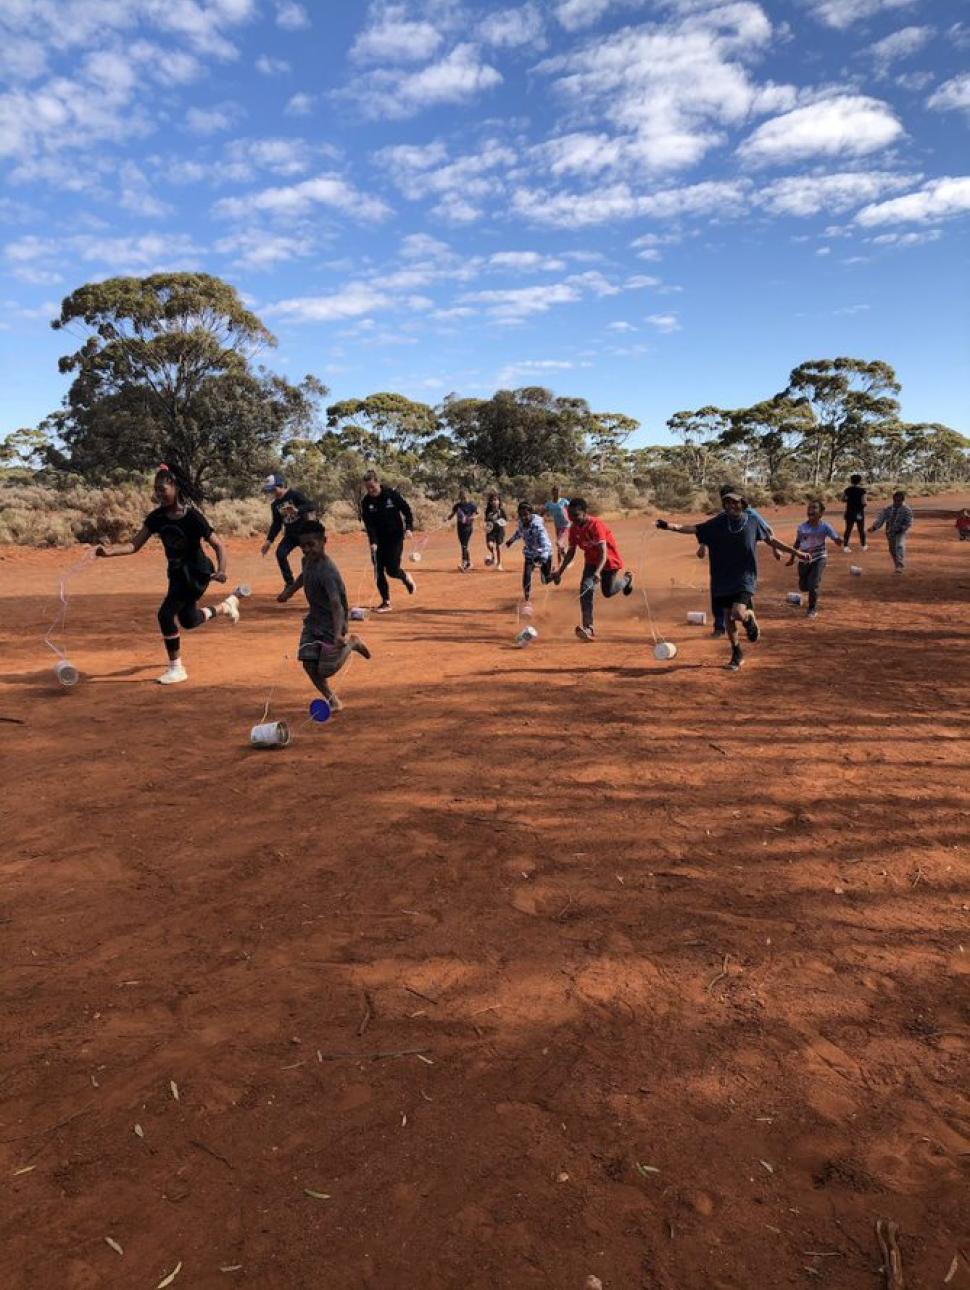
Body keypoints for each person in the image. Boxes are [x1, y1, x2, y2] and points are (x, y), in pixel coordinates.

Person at [95, 464, 240, 685]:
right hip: (176, 573)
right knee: (188, 620)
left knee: (165, 615)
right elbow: (134, 545)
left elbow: (219, 545)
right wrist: (109, 552)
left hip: (197, 572)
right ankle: (226, 606)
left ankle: (177, 668)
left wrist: (221, 571)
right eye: (156, 490)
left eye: (163, 489)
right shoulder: (157, 517)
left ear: (176, 487)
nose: (159, 494)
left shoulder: (192, 517)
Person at [656, 492, 806, 672]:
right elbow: (693, 529)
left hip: (745, 576)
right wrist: (668, 526)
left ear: (743, 504)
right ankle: (736, 653)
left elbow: (771, 540)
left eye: (735, 503)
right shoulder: (718, 523)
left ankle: (749, 618)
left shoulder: (752, 521)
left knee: (738, 613)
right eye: (727, 504)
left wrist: (795, 553)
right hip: (722, 576)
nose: (731, 506)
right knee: (728, 617)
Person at [277, 520, 370, 713]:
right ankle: (333, 699)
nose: (306, 550)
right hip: (313, 621)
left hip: (333, 623)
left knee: (326, 669)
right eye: (303, 546)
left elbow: (336, 604)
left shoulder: (328, 571)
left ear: (323, 541)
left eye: (311, 544)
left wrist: (339, 633)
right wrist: (290, 591)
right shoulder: (307, 561)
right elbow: (303, 576)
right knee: (309, 664)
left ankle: (352, 643)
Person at [699, 488, 779, 636]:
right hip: (722, 565)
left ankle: (748, 618)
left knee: (741, 596)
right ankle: (719, 626)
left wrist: (775, 549)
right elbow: (708, 531)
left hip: (742, 565)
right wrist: (703, 544)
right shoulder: (722, 516)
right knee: (719, 595)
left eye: (732, 500)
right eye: (725, 500)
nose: (728, 504)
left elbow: (767, 530)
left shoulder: (750, 514)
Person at [552, 497, 633, 641]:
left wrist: (598, 572)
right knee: (585, 589)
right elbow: (571, 552)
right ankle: (589, 627)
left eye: (575, 515)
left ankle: (626, 579)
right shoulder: (574, 529)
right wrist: (560, 571)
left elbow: (603, 552)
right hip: (591, 562)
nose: (573, 519)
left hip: (608, 562)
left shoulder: (596, 525)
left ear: (584, 513)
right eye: (570, 515)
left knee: (607, 592)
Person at [360, 470, 416, 613]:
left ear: (378, 483)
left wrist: (409, 527)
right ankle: (386, 602)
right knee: (378, 571)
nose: (370, 490)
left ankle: (404, 576)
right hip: (378, 540)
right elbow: (369, 524)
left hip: (395, 537)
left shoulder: (391, 495)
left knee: (391, 570)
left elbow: (406, 510)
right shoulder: (366, 502)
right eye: (367, 488)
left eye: (372, 486)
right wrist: (373, 541)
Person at [260, 474, 316, 591]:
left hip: (304, 533)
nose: (272, 492)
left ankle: (315, 582)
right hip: (290, 535)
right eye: (270, 490)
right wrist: (269, 541)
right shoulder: (275, 505)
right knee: (280, 554)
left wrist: (298, 510)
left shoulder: (294, 495)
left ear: (280, 485)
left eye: (273, 489)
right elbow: (276, 524)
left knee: (311, 558)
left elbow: (311, 505)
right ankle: (290, 583)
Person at [788, 500, 843, 619]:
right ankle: (811, 590)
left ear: (821, 513)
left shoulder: (825, 526)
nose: (811, 510)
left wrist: (839, 541)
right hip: (804, 559)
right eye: (809, 508)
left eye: (814, 508)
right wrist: (792, 558)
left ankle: (812, 608)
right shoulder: (802, 527)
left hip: (820, 557)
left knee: (813, 584)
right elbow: (797, 544)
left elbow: (836, 538)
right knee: (803, 586)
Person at [506, 502, 554, 601]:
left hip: (544, 553)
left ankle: (554, 575)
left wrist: (543, 557)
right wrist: (511, 540)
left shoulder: (537, 526)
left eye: (525, 515)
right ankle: (527, 601)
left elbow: (545, 543)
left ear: (531, 514)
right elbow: (519, 532)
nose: (523, 517)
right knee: (527, 576)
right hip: (530, 553)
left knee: (546, 580)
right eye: (521, 515)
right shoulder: (521, 523)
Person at [869, 490, 913, 572]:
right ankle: (897, 564)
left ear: (902, 500)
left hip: (900, 531)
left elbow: (909, 522)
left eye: (899, 501)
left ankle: (900, 565)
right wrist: (874, 527)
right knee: (892, 549)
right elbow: (881, 519)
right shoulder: (888, 509)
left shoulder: (906, 509)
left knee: (899, 546)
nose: (896, 502)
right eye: (895, 500)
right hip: (890, 531)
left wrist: (902, 528)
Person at [447, 489, 479, 571]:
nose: (463, 499)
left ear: (467, 496)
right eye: (461, 497)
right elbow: (452, 514)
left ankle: (464, 563)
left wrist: (472, 517)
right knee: (464, 546)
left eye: (464, 497)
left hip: (468, 527)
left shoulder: (471, 505)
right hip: (460, 527)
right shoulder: (457, 506)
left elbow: (477, 514)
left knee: (464, 545)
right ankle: (469, 563)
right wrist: (447, 519)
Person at [841, 474, 868, 552]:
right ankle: (863, 545)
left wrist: (849, 500)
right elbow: (864, 502)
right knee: (861, 529)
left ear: (851, 480)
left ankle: (846, 546)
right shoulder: (862, 491)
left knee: (848, 530)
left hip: (849, 512)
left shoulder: (847, 490)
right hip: (859, 512)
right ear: (860, 481)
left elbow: (842, 499)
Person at [545, 486, 571, 557]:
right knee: (559, 546)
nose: (557, 493)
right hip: (557, 526)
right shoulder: (549, 503)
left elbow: (571, 509)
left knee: (559, 543)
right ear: (552, 492)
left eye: (558, 491)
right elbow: (542, 512)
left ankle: (567, 558)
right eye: (555, 491)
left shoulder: (564, 501)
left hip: (566, 525)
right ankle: (560, 563)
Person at [484, 492, 508, 569]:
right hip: (490, 531)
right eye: (493, 500)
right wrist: (487, 526)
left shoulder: (501, 511)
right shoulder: (488, 511)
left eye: (496, 500)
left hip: (500, 531)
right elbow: (486, 520)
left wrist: (500, 522)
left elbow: (506, 521)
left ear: (499, 501)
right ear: (490, 502)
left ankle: (499, 563)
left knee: (498, 547)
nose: (494, 502)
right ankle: (494, 557)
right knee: (489, 545)